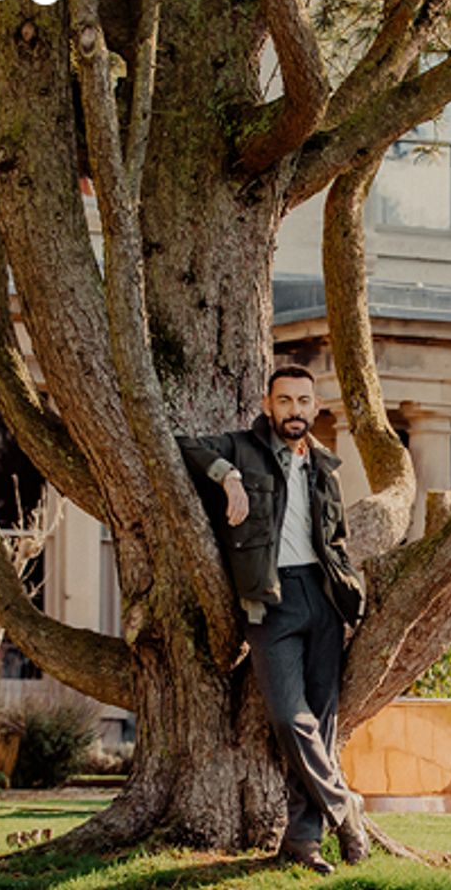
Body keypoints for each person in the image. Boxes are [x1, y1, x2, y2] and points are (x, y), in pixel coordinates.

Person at [178, 364, 370, 873]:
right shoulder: (242, 447)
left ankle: (302, 842)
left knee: (319, 727)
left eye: (303, 402)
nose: (294, 411)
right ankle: (344, 807)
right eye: (284, 401)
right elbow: (186, 445)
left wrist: (349, 591)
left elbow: (337, 541)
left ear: (315, 407)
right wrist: (230, 476)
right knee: (289, 717)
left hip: (323, 600)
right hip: (270, 600)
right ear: (268, 405)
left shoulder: (325, 466)